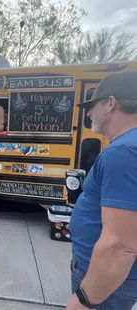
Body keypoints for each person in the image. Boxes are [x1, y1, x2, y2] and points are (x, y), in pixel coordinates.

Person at [67, 71, 137, 310]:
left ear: (110, 103)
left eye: (92, 105)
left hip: (107, 281)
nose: (88, 113)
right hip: (117, 278)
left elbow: (120, 247)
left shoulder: (123, 153)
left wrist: (84, 300)